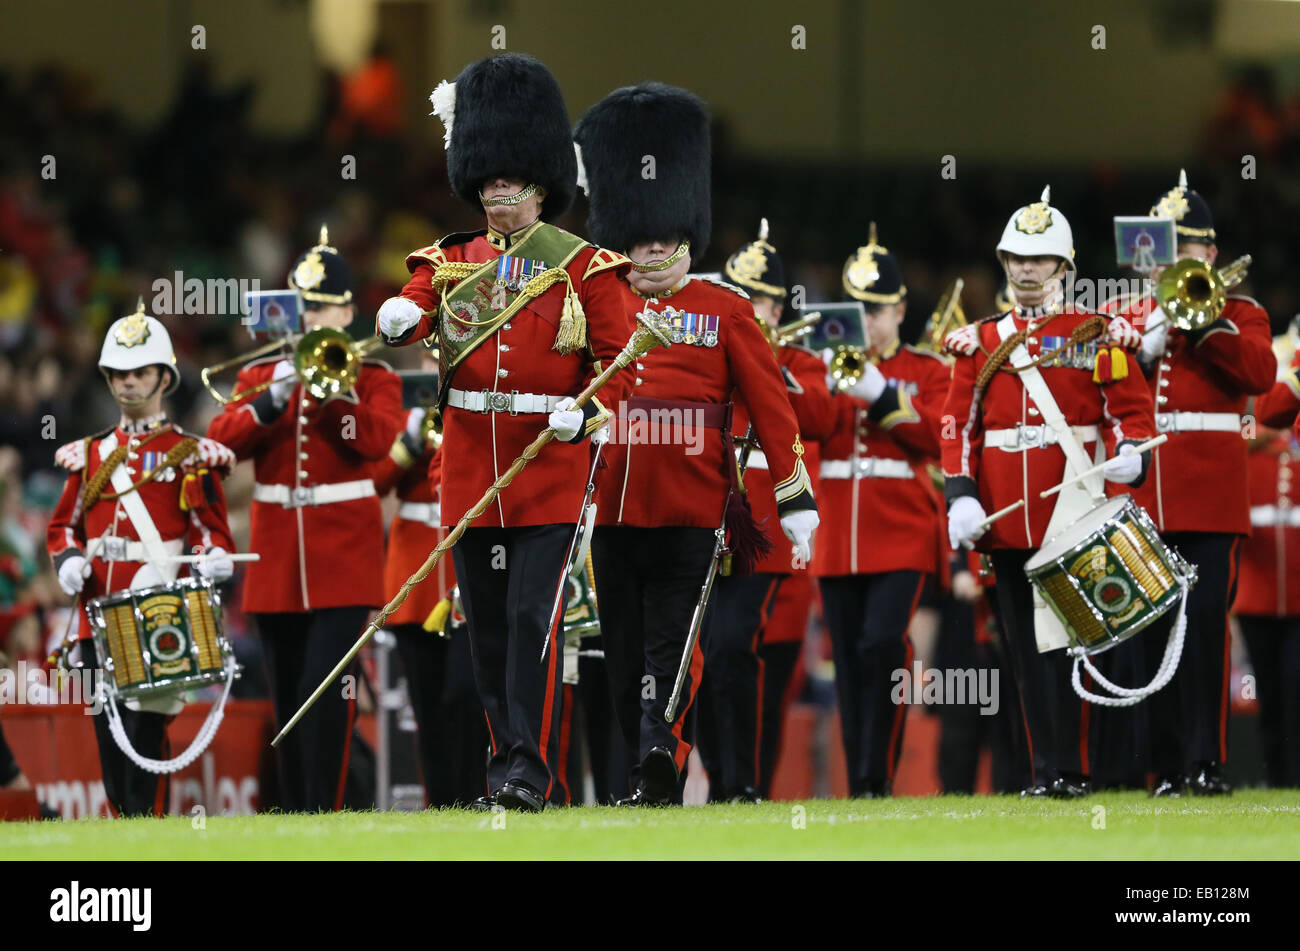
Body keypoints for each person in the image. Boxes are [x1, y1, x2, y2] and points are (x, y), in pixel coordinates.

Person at [373, 54, 637, 812]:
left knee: (533, 620)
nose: (494, 193)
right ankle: (506, 766)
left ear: (540, 183)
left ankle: (530, 770)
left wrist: (585, 412)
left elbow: (620, 360)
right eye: (484, 180)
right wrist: (401, 316)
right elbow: (418, 303)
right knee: (486, 630)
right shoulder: (451, 258)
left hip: (547, 465)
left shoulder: (586, 267)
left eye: (507, 180)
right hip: (468, 465)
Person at [573, 82, 819, 805]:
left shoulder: (725, 309)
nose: (651, 249)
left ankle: (660, 751)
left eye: (663, 238)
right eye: (640, 238)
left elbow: (774, 409)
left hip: (691, 510)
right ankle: (638, 764)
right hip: (615, 509)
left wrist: (793, 495)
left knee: (672, 651)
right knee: (620, 658)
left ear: (685, 235)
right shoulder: (597, 304)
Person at [942, 187, 1156, 797]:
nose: (1026, 270)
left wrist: (1131, 454)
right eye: (1017, 258)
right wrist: (961, 493)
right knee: (1027, 654)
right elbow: (961, 425)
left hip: (1077, 510)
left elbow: (1131, 413)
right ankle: (1046, 772)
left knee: (1079, 648)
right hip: (1008, 519)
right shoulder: (979, 341)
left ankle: (1080, 771)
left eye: (1039, 259)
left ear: (1065, 268)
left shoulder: (1098, 334)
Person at [207, 229, 404, 812]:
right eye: (304, 306)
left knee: (327, 691)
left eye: (323, 306)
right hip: (275, 558)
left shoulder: (374, 378)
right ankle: (297, 816)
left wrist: (334, 395)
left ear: (346, 311)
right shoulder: (260, 377)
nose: (313, 316)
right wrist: (274, 396)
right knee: (288, 696)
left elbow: (373, 443)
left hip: (343, 555)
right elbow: (222, 446)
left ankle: (329, 809)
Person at [1112, 171, 1275, 795]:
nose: (1171, 260)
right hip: (1147, 494)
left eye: (1184, 248)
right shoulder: (1128, 316)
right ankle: (1162, 767)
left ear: (1209, 254)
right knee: (1149, 632)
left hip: (1211, 494)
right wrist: (1140, 342)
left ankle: (1207, 762)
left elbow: (1258, 374)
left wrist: (1198, 324)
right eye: (1162, 248)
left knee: (1204, 627)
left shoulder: (1242, 312)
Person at [47, 301, 237, 817]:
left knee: (145, 734)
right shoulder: (87, 454)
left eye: (140, 372)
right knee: (110, 744)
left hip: (158, 612)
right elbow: (62, 525)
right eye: (119, 374)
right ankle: (132, 833)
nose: (128, 383)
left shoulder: (189, 453)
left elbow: (208, 528)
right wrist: (67, 560)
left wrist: (215, 556)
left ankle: (149, 839)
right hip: (95, 619)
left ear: (164, 377)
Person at [695, 219, 834, 803]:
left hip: (762, 526)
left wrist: (767, 366)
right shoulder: (712, 348)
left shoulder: (799, 362)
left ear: (781, 306)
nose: (754, 307)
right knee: (703, 652)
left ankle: (744, 782)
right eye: (742, 297)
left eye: (764, 301)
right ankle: (721, 776)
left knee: (734, 644)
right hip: (707, 517)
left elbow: (823, 419)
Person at [810, 225, 951, 798]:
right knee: (847, 659)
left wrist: (882, 394)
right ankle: (861, 777)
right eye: (857, 311)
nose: (867, 322)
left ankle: (878, 774)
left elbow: (938, 439)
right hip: (840, 530)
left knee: (882, 644)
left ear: (898, 309)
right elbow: (810, 426)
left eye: (877, 310)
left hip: (901, 528)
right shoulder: (827, 365)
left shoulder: (928, 370)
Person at [372, 354, 489, 807]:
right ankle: (440, 803)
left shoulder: (478, 402)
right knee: (427, 702)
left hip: (465, 555)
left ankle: (477, 793)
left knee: (468, 691)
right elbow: (376, 481)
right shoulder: (404, 412)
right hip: (415, 568)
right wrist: (406, 445)